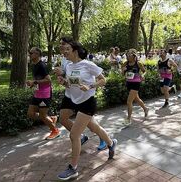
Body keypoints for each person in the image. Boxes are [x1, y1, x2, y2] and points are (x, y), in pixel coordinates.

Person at [56, 41, 117, 180]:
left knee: (74, 135)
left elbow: (103, 80)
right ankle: (111, 143)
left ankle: (73, 168)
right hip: (73, 100)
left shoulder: (88, 65)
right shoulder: (70, 66)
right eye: (63, 50)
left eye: (67, 49)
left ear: (75, 51)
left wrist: (90, 86)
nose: (64, 52)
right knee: (94, 127)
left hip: (87, 102)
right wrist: (64, 82)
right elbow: (72, 83)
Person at [54, 37, 107, 149]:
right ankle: (81, 136)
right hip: (71, 94)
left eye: (64, 44)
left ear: (72, 47)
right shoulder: (64, 59)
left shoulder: (82, 62)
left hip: (84, 96)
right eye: (61, 45)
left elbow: (83, 74)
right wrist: (62, 79)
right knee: (63, 119)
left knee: (91, 125)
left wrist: (90, 86)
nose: (62, 47)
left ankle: (105, 139)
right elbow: (71, 79)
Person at [26, 47, 60, 140]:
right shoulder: (34, 65)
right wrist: (33, 83)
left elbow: (48, 80)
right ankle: (51, 119)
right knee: (30, 114)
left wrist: (35, 82)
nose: (29, 54)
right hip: (37, 93)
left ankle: (55, 131)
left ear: (37, 54)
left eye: (31, 53)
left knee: (42, 115)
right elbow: (38, 79)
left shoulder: (42, 65)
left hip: (44, 94)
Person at [121, 49, 149, 125]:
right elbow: (122, 74)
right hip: (128, 83)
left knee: (129, 101)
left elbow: (144, 71)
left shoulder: (138, 63)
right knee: (137, 99)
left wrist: (143, 75)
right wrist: (123, 70)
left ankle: (128, 119)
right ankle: (145, 109)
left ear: (134, 56)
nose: (127, 56)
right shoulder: (125, 64)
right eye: (127, 55)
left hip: (136, 83)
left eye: (129, 55)